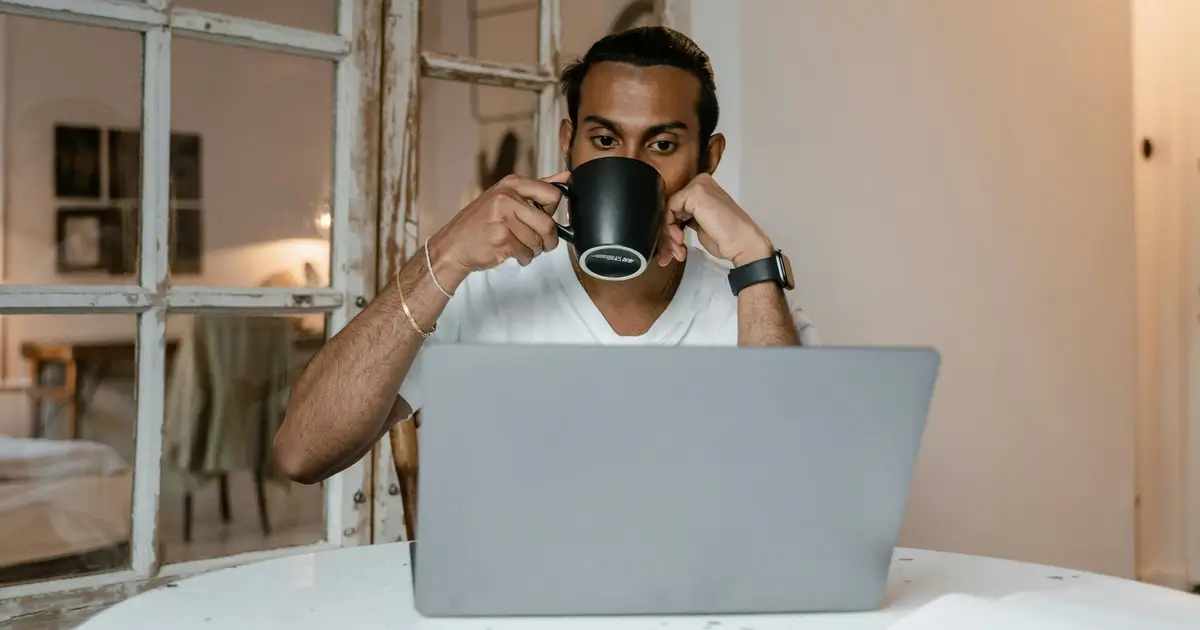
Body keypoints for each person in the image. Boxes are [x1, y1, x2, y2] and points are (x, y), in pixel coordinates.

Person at [274, 26, 820, 484]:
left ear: (710, 157)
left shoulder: (755, 300)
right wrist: (443, 258)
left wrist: (754, 259)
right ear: (569, 144)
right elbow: (302, 453)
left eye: (662, 145)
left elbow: (797, 485)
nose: (630, 166)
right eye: (604, 141)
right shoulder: (485, 288)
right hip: (508, 601)